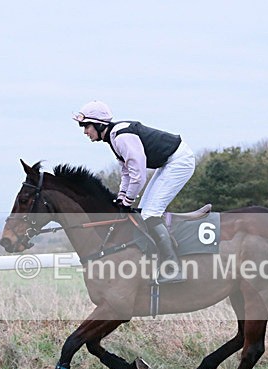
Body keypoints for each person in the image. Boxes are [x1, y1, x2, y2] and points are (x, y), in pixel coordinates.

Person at [73, 100, 196, 283]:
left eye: (86, 126)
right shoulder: (114, 138)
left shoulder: (121, 137)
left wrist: (128, 200)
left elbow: (138, 175)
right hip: (168, 162)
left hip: (179, 161)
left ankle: (173, 268)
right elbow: (126, 172)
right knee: (143, 212)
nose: (85, 132)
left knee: (150, 213)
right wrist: (122, 197)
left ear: (99, 124)